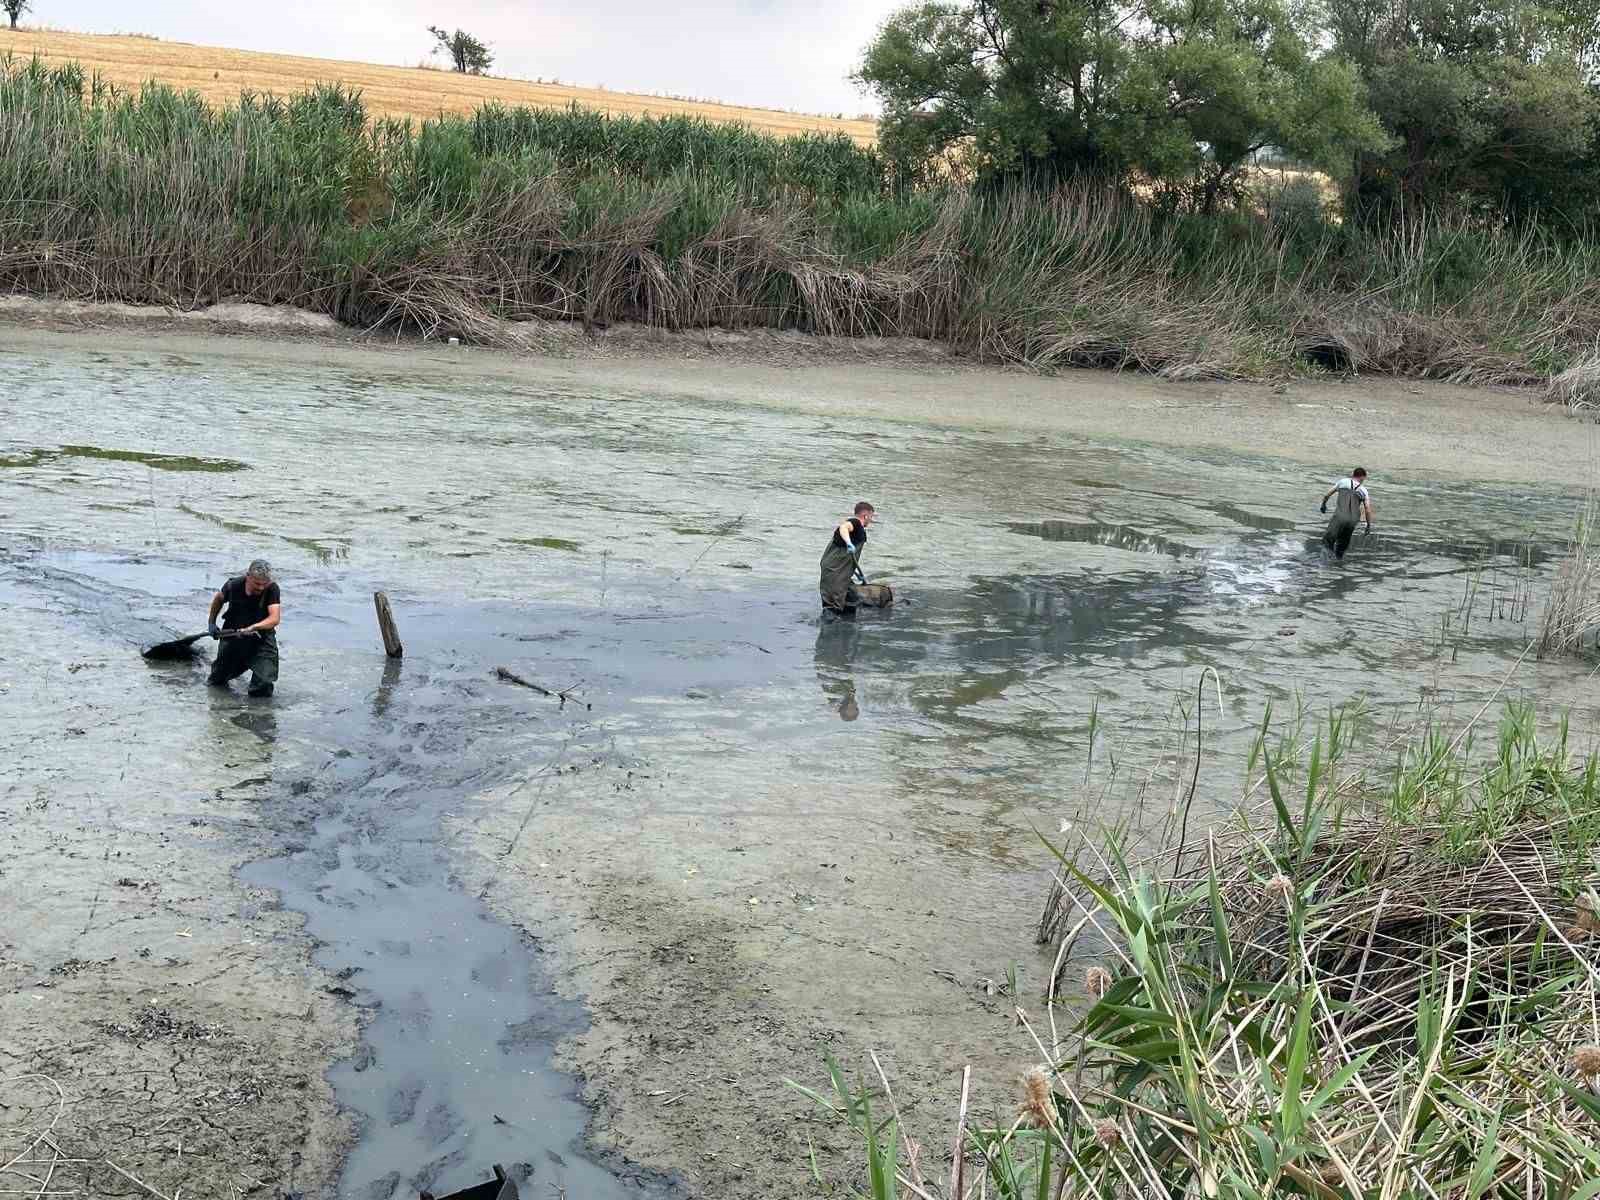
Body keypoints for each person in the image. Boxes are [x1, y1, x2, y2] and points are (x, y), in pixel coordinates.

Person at [207, 559, 282, 696]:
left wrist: (254, 627)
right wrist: (211, 623)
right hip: (233, 636)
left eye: (263, 584)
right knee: (217, 680)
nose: (260, 588)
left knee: (264, 683)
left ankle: (258, 712)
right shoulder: (233, 585)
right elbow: (218, 599)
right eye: (257, 584)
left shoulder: (272, 589)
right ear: (248, 576)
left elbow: (274, 618)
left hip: (261, 638)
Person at [819, 501, 875, 617]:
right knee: (834, 604)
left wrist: (855, 572)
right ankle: (831, 625)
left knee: (852, 598)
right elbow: (844, 527)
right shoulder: (855, 523)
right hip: (834, 571)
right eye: (871, 517)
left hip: (838, 569)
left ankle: (843, 620)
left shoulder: (858, 529)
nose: (871, 520)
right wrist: (849, 543)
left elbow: (847, 558)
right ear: (866, 515)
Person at [1319, 468, 1373, 560]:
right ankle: (1338, 564)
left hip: (1340, 516)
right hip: (1353, 520)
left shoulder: (1343, 482)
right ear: (1363, 477)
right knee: (1342, 545)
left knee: (1328, 541)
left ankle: (1326, 565)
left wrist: (1323, 505)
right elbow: (1367, 510)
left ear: (1353, 474)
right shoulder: (1364, 491)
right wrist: (1368, 525)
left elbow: (1327, 495)